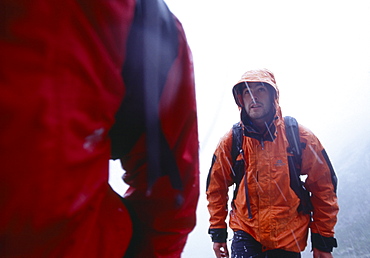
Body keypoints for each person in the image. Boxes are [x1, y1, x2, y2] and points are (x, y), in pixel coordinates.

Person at [206, 69, 338, 258]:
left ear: (273, 95)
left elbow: (324, 187)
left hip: (287, 237)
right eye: (247, 92)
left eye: (260, 89)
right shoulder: (233, 140)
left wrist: (323, 241)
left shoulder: (298, 137)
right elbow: (215, 188)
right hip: (246, 232)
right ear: (240, 100)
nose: (253, 97)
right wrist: (218, 232)